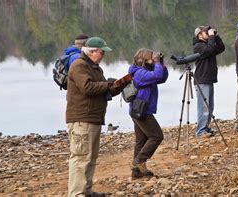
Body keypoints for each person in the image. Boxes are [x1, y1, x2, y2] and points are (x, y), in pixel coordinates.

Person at [66, 37, 125, 197]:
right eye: (102, 52)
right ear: (91, 52)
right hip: (81, 118)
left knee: (90, 157)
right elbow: (87, 88)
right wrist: (107, 84)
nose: (103, 55)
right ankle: (76, 193)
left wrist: (118, 85)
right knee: (80, 157)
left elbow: (103, 90)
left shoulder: (95, 67)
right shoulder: (79, 65)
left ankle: (87, 190)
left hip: (93, 118)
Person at [128, 48, 168, 179]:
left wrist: (161, 64)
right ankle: (138, 162)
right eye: (151, 57)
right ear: (143, 59)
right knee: (156, 136)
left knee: (141, 140)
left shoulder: (145, 71)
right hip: (141, 111)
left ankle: (136, 173)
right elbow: (156, 75)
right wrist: (157, 64)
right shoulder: (139, 73)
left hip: (139, 110)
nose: (153, 59)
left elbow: (161, 78)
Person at [193, 25, 225, 137]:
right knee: (204, 106)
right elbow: (209, 50)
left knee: (210, 106)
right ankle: (200, 131)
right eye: (205, 32)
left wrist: (216, 36)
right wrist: (211, 37)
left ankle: (205, 128)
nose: (208, 33)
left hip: (208, 79)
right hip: (201, 79)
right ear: (199, 35)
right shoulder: (198, 46)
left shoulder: (208, 45)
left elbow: (221, 48)